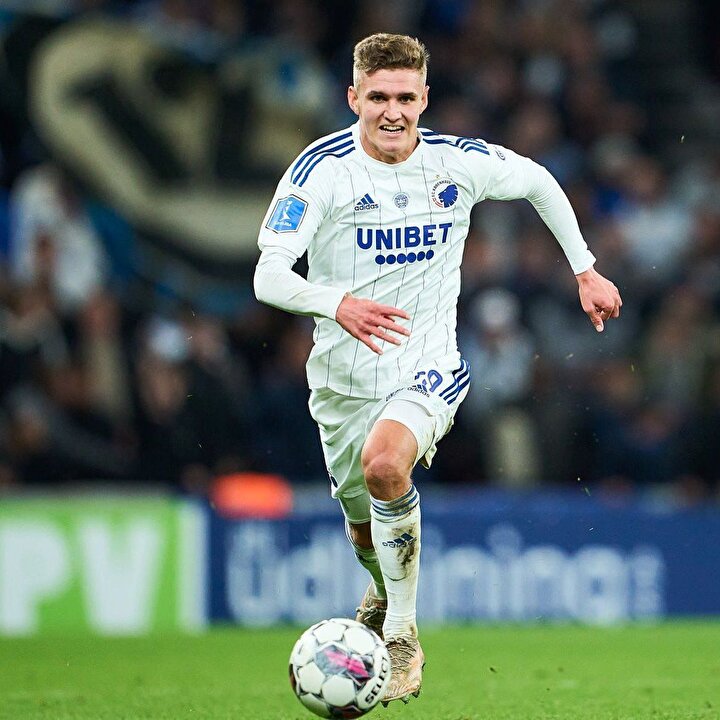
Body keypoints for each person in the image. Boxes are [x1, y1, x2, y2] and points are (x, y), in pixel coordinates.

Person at [253, 32, 622, 705]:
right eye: (378, 98)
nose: (392, 113)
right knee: (363, 526)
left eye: (405, 98)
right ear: (353, 98)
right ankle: (382, 588)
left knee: (385, 464)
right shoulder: (321, 171)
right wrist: (338, 304)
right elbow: (268, 275)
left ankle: (402, 634)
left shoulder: (457, 163)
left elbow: (538, 181)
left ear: (424, 98)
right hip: (341, 382)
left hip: (428, 365)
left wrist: (585, 268)